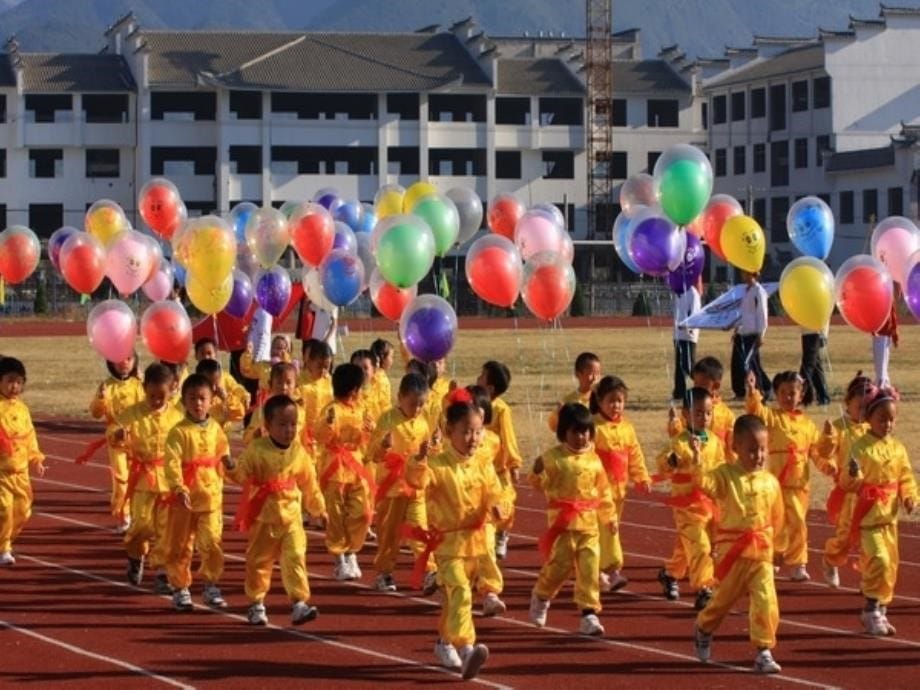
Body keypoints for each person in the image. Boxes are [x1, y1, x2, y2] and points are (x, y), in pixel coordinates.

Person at [405, 390, 505, 680]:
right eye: (466, 432)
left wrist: (499, 508)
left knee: (453, 601)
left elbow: (495, 494)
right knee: (460, 594)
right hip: (448, 546)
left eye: (477, 432)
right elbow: (416, 481)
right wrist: (419, 460)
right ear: (450, 432)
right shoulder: (438, 465)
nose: (473, 439)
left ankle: (444, 641)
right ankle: (467, 648)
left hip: (476, 545)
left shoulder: (483, 465)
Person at [692, 414, 784, 674]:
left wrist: (779, 547)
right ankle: (704, 627)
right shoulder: (725, 475)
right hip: (733, 554)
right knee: (722, 601)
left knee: (766, 601)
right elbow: (705, 484)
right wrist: (698, 461)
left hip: (761, 553)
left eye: (763, 449)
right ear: (736, 447)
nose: (759, 455)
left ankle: (763, 650)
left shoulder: (770, 482)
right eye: (752, 449)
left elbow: (778, 518)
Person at [231, 395, 327, 626]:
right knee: (259, 562)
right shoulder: (257, 449)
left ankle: (299, 603)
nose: (288, 430)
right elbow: (241, 474)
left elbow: (309, 483)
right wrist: (231, 468)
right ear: (268, 426)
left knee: (295, 557)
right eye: (282, 424)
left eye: (293, 424)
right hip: (264, 516)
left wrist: (318, 509)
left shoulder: (299, 452)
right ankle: (256, 603)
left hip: (291, 516)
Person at [529, 403, 614, 636]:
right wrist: (537, 472)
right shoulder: (553, 459)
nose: (581, 437)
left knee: (589, 569)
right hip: (563, 525)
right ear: (563, 432)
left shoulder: (594, 460)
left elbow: (604, 492)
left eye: (585, 431)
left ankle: (589, 614)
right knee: (559, 568)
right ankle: (541, 595)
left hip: (588, 526)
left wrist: (610, 518)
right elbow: (539, 485)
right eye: (575, 431)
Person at [745, 370, 836, 581]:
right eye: (783, 392)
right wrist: (752, 391)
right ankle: (774, 556)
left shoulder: (807, 425)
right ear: (776, 394)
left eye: (792, 393)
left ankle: (797, 563)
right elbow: (756, 411)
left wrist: (828, 454)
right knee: (774, 523)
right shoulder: (773, 418)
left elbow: (818, 451)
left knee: (797, 523)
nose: (787, 397)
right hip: (775, 483)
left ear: (801, 394)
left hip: (798, 485)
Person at [841, 387, 917, 637]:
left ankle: (880, 610)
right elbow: (848, 483)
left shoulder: (897, 449)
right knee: (879, 560)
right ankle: (871, 608)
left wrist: (909, 497)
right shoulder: (860, 448)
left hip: (889, 519)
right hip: (868, 518)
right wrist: (854, 474)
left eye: (891, 420)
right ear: (869, 419)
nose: (887, 424)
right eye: (882, 419)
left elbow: (905, 476)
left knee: (891, 566)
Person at [109, 363, 183, 590]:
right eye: (152, 396)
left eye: (162, 396)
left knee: (164, 528)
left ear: (172, 391)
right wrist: (118, 435)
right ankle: (135, 555)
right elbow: (113, 435)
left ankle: (162, 572)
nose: (157, 401)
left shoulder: (177, 416)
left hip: (168, 480)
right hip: (143, 479)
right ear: (144, 389)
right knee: (141, 526)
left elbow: (185, 443)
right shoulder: (133, 414)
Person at [163, 374, 233, 611]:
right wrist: (178, 487)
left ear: (211, 400)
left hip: (211, 497)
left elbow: (223, 449)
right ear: (184, 400)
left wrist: (229, 462)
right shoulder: (178, 432)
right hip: (185, 500)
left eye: (202, 398)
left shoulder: (215, 428)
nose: (198, 403)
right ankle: (180, 587)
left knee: (212, 542)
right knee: (181, 545)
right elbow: (171, 463)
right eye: (192, 398)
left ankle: (211, 583)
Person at [656, 388, 723, 610]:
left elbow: (720, 470)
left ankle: (669, 573)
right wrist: (672, 461)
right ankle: (705, 588)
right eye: (698, 413)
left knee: (688, 547)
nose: (703, 418)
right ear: (686, 414)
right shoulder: (680, 442)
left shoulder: (714, 442)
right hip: (687, 507)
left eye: (708, 413)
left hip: (709, 505)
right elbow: (663, 463)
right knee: (700, 546)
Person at [364, 372, 432, 593]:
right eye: (413, 404)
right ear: (400, 397)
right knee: (389, 534)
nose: (417, 409)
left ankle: (430, 571)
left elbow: (426, 453)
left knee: (420, 528)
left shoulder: (422, 424)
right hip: (391, 489)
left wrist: (429, 451)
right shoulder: (388, 419)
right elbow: (373, 454)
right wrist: (383, 445)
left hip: (414, 488)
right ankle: (384, 572)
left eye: (422, 404)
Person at [313, 363, 375, 581]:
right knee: (336, 516)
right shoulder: (331, 409)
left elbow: (367, 438)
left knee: (363, 512)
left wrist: (370, 429)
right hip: (335, 469)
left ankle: (351, 549)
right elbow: (319, 435)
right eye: (359, 387)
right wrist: (328, 424)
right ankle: (340, 557)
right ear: (353, 389)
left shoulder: (361, 408)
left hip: (356, 467)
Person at [590, 375, 650, 593]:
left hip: (619, 492)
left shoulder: (627, 429)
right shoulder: (594, 428)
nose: (616, 406)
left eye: (620, 400)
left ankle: (601, 571)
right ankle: (607, 571)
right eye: (611, 400)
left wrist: (641, 477)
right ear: (599, 401)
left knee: (610, 531)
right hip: (597, 495)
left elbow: (635, 455)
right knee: (602, 531)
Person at [817, 372, 873, 588]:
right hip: (848, 493)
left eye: (868, 407)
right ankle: (830, 560)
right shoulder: (840, 427)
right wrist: (828, 436)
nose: (863, 412)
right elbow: (824, 452)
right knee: (845, 536)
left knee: (869, 538)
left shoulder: (871, 428)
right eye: (859, 406)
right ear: (847, 403)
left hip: (869, 494)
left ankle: (870, 579)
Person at [87, 352, 144, 533]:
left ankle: (137, 515)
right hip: (116, 441)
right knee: (121, 480)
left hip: (137, 440)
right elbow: (95, 413)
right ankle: (123, 515)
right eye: (119, 359)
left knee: (139, 479)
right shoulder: (107, 386)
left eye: (129, 359)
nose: (124, 363)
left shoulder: (138, 385)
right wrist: (101, 398)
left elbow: (147, 409)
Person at [466, 385, 511, 616]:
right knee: (464, 555)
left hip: (486, 504)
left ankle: (491, 593)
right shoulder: (455, 439)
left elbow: (497, 470)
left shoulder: (492, 440)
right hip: (461, 507)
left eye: (479, 410)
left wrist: (501, 499)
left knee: (487, 550)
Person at [0, 356, 45, 566]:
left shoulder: (23, 409)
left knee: (23, 512)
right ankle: (3, 548)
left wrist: (36, 458)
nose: (14, 386)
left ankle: (6, 540)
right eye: (10, 380)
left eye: (19, 382)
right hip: (2, 472)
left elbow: (29, 437)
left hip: (21, 472)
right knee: (4, 510)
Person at [477, 361, 522, 561]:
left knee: (507, 503)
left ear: (490, 387)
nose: (478, 379)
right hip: (481, 467)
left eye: (482, 376)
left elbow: (508, 437)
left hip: (499, 468)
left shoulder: (501, 410)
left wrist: (514, 463)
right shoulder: (475, 404)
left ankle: (502, 533)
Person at [669, 356, 736, 454]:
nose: (697, 389)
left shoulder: (727, 416)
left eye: (701, 385)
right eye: (695, 384)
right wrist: (674, 423)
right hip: (694, 463)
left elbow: (732, 449)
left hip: (717, 465)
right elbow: (679, 438)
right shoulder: (691, 410)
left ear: (716, 386)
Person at [243, 363, 304, 446]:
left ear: (296, 385)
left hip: (292, 456)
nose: (284, 387)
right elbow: (246, 440)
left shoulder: (300, 411)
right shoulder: (262, 412)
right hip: (267, 455)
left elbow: (304, 438)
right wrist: (255, 435)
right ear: (270, 384)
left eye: (288, 383)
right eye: (279, 383)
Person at [731, 270, 770, 400]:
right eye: (743, 273)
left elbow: (762, 313)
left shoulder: (758, 291)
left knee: (748, 363)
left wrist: (761, 334)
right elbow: (740, 312)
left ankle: (761, 390)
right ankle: (739, 392)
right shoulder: (743, 290)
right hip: (741, 333)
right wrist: (736, 329)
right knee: (736, 363)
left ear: (753, 275)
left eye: (746, 273)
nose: (743, 276)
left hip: (752, 334)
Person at [195, 337, 252, 414]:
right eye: (202, 354)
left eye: (209, 353)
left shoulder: (224, 376)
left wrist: (243, 395)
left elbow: (235, 388)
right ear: (196, 356)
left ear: (215, 354)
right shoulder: (194, 381)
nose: (206, 357)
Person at [547, 352, 602, 432]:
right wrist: (558, 414)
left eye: (598, 374)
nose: (595, 378)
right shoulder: (569, 401)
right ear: (578, 374)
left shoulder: (603, 398)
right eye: (591, 374)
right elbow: (553, 427)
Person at [195, 359, 248, 434]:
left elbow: (239, 414)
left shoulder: (222, 400)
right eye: (209, 384)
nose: (213, 388)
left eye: (216, 384)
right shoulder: (193, 400)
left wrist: (226, 398)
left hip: (219, 441)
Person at [672, 281, 701, 403]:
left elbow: (695, 313)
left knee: (689, 364)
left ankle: (702, 385)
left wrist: (687, 326)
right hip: (678, 334)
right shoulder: (678, 293)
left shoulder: (693, 293)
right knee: (679, 365)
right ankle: (679, 391)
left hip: (689, 334)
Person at [241, 334, 294, 401]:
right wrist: (247, 354)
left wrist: (285, 361)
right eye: (276, 348)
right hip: (264, 402)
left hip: (283, 400)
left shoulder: (290, 367)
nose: (278, 351)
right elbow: (246, 371)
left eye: (283, 349)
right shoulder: (263, 365)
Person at [351, 348, 386, 422]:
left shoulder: (380, 392)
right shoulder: (345, 395)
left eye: (365, 368)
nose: (361, 372)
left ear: (374, 370)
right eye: (357, 368)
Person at [799, 328, 830, 406]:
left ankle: (805, 397)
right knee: (815, 365)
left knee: (807, 367)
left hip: (813, 331)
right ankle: (823, 396)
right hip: (810, 331)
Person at [370, 338, 396, 410]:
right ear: (382, 358)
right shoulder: (381, 379)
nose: (392, 360)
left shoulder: (371, 374)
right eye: (391, 357)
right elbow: (384, 404)